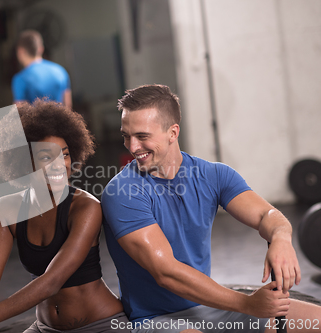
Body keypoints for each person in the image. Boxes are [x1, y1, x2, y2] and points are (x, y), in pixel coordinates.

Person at [101, 84, 321, 332]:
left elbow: (266, 215)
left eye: (142, 136)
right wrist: (248, 304)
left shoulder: (214, 175)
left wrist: (281, 237)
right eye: (126, 136)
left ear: (172, 132)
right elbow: (167, 273)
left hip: (211, 308)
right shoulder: (121, 192)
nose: (131, 147)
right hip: (156, 319)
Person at [0, 99, 130, 332]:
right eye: (47, 157)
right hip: (45, 327)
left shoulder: (85, 208)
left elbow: (51, 282)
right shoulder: (6, 209)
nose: (60, 165)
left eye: (66, 155)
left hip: (100, 325)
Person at [12, 30, 72, 108]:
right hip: (60, 120)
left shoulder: (20, 79)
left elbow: (20, 113)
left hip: (35, 120)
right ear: (41, 49)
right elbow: (68, 107)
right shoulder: (61, 71)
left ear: (20, 51)